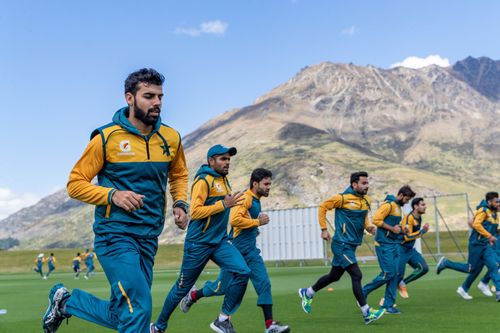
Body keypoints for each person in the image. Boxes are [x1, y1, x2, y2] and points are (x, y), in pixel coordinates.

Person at [41, 68, 189, 333]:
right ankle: (66, 302)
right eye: (149, 96)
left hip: (148, 237)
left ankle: (66, 302)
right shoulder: (106, 137)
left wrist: (180, 203)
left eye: (160, 96)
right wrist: (113, 195)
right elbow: (75, 184)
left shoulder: (171, 137)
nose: (157, 102)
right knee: (139, 309)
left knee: (128, 314)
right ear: (129, 98)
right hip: (115, 236)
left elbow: (178, 174)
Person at [152, 145, 250, 333]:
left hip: (219, 242)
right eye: (223, 159)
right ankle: (158, 327)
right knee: (181, 288)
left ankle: (223, 320)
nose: (227, 162)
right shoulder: (203, 180)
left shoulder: (223, 180)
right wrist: (223, 204)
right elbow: (195, 212)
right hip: (199, 243)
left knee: (243, 271)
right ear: (211, 161)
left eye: (229, 159)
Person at [178, 168, 290, 333]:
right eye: (266, 184)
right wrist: (257, 223)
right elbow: (235, 220)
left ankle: (270, 325)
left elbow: (245, 221)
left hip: (251, 252)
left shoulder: (257, 200)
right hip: (236, 251)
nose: (268, 187)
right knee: (220, 288)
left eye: (269, 184)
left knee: (264, 284)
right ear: (255, 183)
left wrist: (253, 228)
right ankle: (193, 296)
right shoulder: (245, 198)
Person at [298, 171, 385, 325]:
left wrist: (368, 227)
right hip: (341, 244)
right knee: (356, 275)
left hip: (351, 246)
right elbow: (323, 207)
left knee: (334, 276)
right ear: (354, 184)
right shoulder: (342, 198)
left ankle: (308, 292)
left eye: (367, 183)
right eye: (363, 183)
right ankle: (367, 312)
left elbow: (364, 217)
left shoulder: (366, 200)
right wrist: (324, 229)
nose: (367, 186)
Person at [436, 192, 500, 301]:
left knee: (494, 265)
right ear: (489, 202)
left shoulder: (493, 214)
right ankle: (446, 263)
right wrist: (489, 236)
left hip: (486, 246)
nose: (499, 203)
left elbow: (493, 229)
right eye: (497, 202)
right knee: (471, 269)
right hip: (476, 245)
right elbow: (476, 224)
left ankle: (498, 292)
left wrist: (492, 235)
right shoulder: (483, 211)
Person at [362, 185, 415, 314]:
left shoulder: (398, 208)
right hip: (383, 244)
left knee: (395, 275)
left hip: (394, 244)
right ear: (401, 195)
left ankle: (388, 306)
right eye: (406, 199)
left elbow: (394, 227)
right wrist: (392, 229)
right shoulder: (389, 205)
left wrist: (402, 230)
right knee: (388, 273)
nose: (407, 202)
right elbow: (376, 220)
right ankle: (363, 292)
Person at [397, 198, 430, 299]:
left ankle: (402, 284)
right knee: (397, 277)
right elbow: (407, 237)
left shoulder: (418, 217)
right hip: (401, 249)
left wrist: (421, 232)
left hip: (410, 250)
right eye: (423, 204)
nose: (425, 206)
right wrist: (422, 231)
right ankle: (386, 301)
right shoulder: (408, 217)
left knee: (424, 268)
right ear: (415, 206)